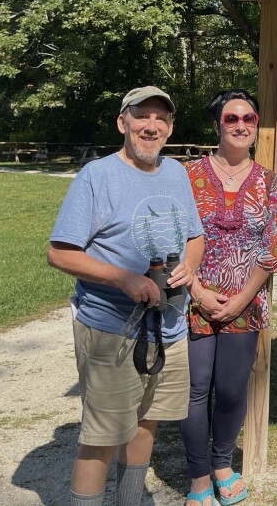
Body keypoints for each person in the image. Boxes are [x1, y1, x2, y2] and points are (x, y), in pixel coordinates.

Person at [48, 86, 205, 506]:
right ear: (124, 123)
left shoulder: (176, 172)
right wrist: (123, 278)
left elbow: (195, 235)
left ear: (170, 129)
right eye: (142, 117)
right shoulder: (97, 176)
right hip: (111, 331)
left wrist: (190, 263)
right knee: (101, 438)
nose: (151, 127)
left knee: (146, 423)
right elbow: (60, 253)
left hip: (168, 327)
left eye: (161, 119)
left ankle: (129, 501)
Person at [179, 89, 277, 506]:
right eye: (231, 118)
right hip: (192, 299)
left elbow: (272, 246)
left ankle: (223, 463)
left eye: (248, 118)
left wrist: (241, 299)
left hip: (246, 302)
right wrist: (198, 291)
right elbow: (173, 237)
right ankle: (199, 477)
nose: (241, 125)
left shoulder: (268, 182)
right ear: (216, 125)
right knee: (195, 388)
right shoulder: (187, 176)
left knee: (230, 389)